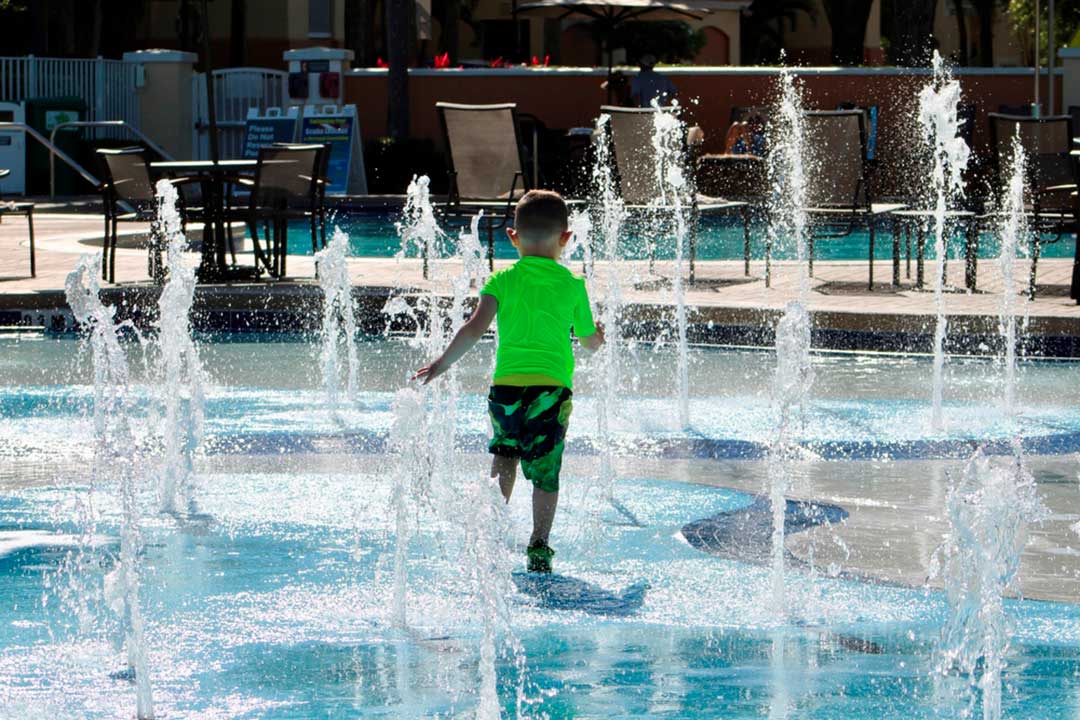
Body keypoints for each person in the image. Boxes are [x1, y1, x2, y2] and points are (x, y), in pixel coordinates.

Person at [413, 190, 605, 573]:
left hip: (506, 388)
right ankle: (539, 543)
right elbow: (588, 343)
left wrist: (441, 364)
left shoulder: (501, 279)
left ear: (513, 236)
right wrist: (599, 334)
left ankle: (492, 531)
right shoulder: (572, 284)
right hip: (551, 389)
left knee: (505, 458)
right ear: (566, 238)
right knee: (546, 470)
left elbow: (472, 329)